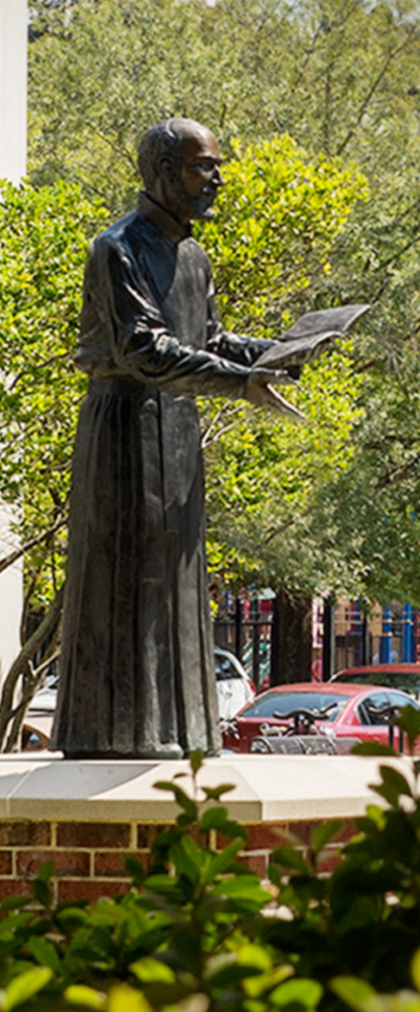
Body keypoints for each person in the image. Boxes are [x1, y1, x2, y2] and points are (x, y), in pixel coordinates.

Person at [53, 118, 296, 759]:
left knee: (180, 580)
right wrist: (242, 382)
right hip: (126, 435)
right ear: (164, 172)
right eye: (203, 166)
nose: (216, 178)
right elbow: (145, 351)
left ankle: (181, 732)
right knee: (129, 582)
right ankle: (116, 734)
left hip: (179, 434)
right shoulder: (117, 248)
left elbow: (208, 342)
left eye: (215, 166)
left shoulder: (192, 254)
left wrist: (279, 352)